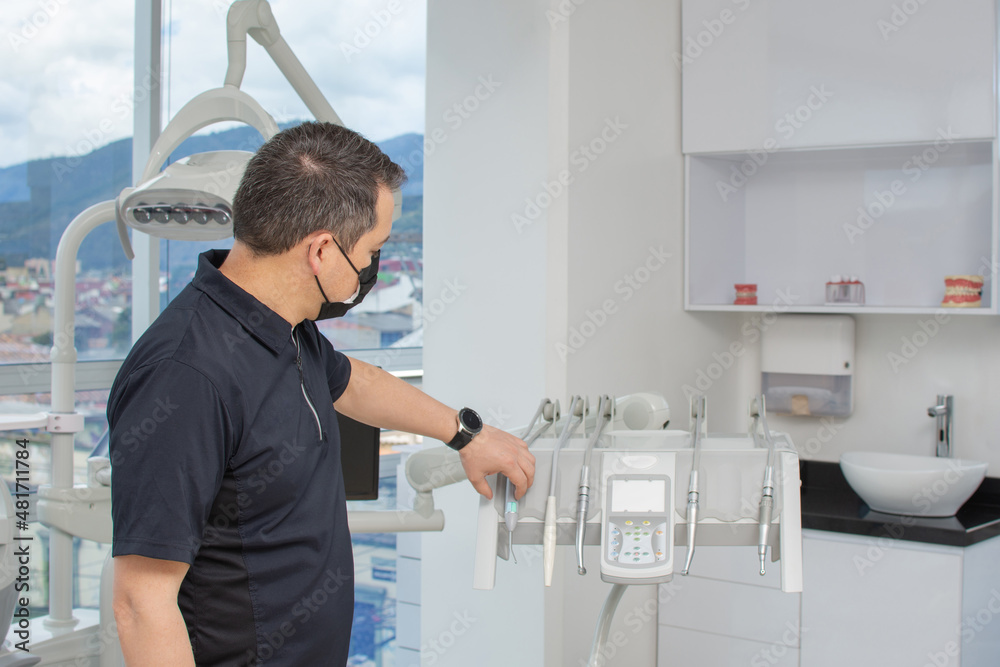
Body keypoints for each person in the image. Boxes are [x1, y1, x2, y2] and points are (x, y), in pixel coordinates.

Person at [108, 121, 535, 666]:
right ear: (322, 251)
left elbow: (356, 382)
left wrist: (467, 434)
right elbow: (140, 603)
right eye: (373, 249)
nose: (373, 267)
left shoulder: (281, 325)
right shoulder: (186, 376)